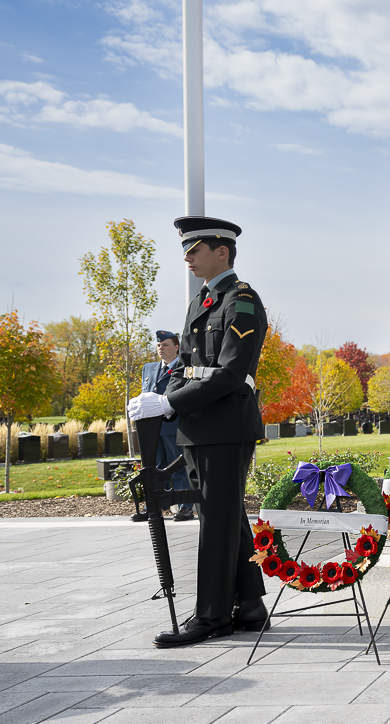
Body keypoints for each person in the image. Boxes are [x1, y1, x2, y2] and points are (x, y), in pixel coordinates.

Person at [127, 216, 270, 647]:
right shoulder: (200, 303)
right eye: (185, 252)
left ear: (221, 252)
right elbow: (184, 366)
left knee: (216, 520)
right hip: (198, 428)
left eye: (194, 250)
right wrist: (161, 398)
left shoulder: (242, 300)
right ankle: (249, 606)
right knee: (224, 515)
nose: (187, 258)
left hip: (226, 426)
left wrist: (171, 403)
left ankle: (212, 616)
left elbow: (230, 373)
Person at [133, 330, 195, 523]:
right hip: (151, 428)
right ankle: (155, 505)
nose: (161, 348)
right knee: (153, 467)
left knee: (177, 467)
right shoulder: (149, 368)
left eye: (165, 345)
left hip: (174, 425)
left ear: (176, 347)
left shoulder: (185, 367)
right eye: (159, 345)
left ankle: (185, 506)